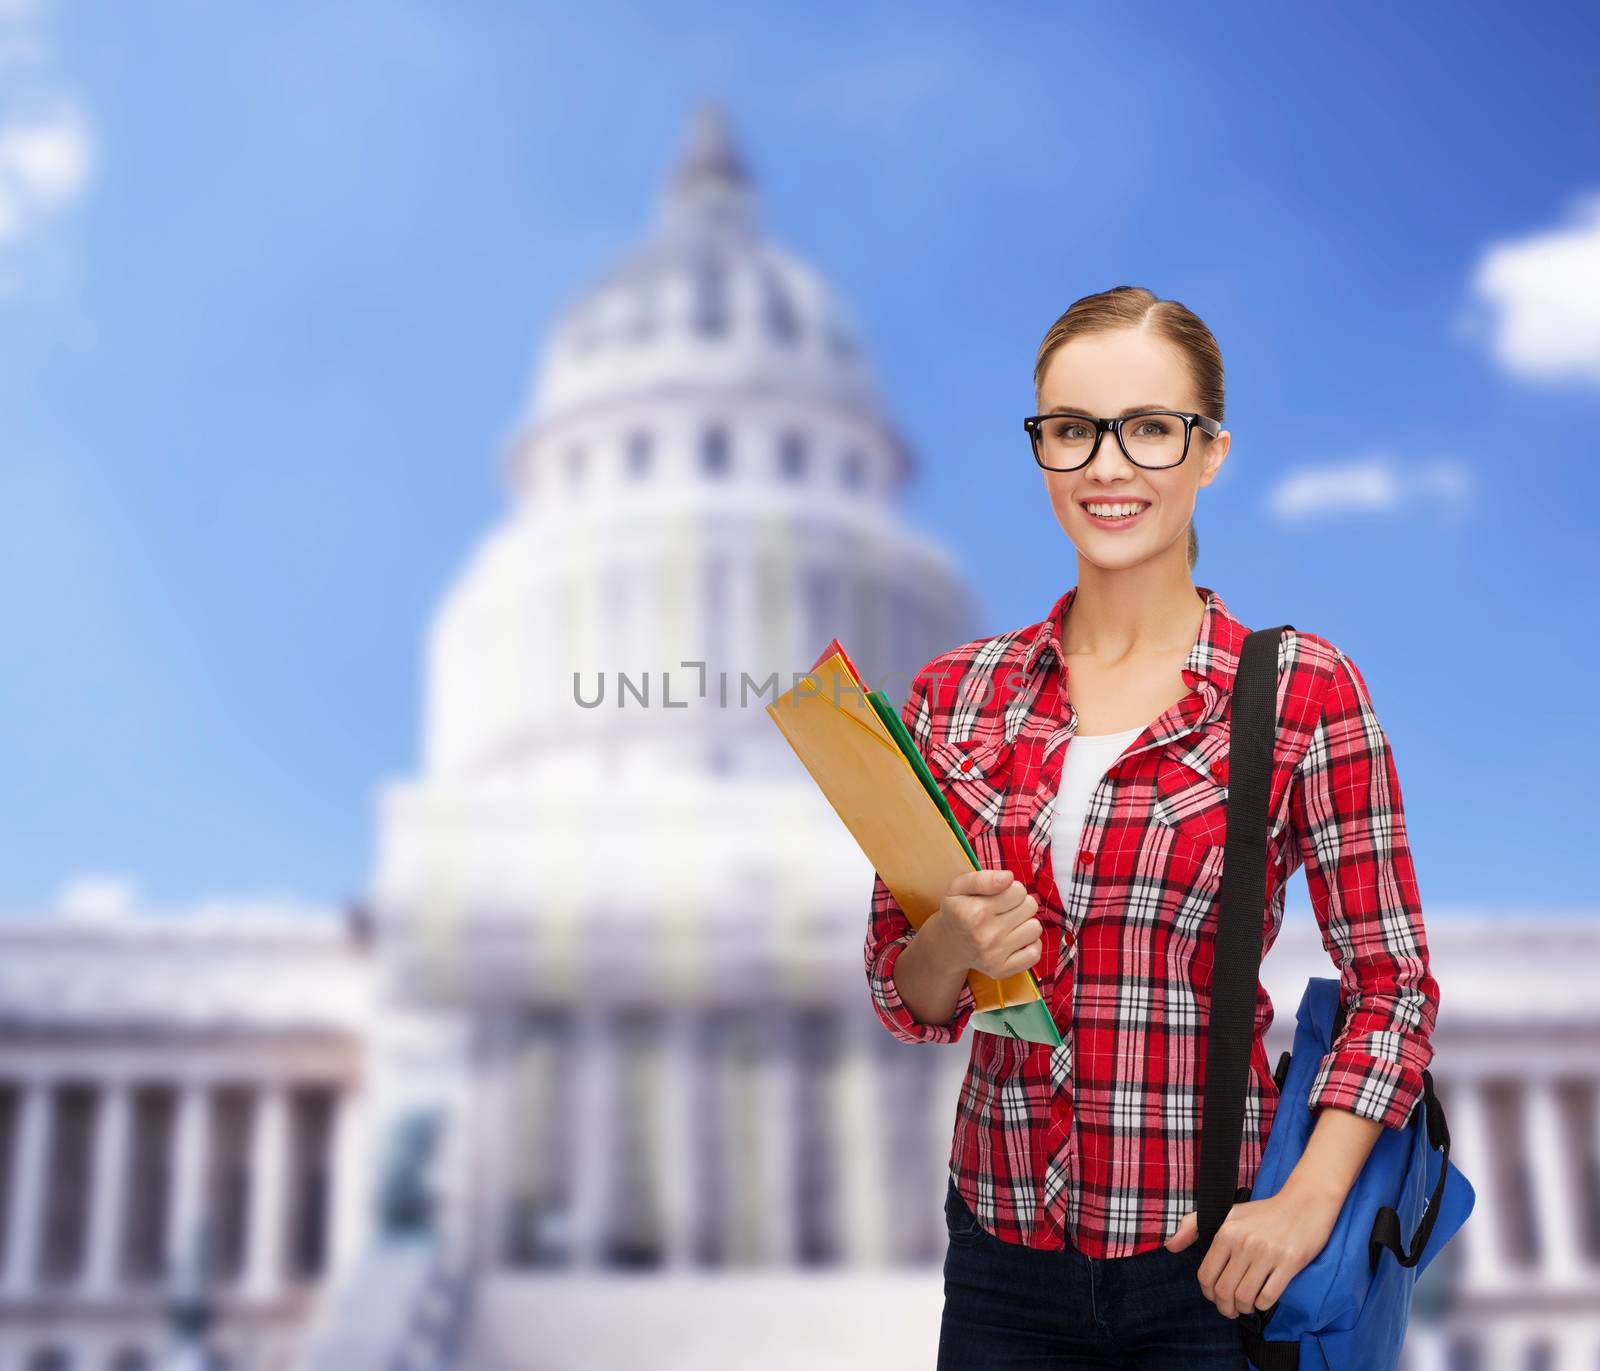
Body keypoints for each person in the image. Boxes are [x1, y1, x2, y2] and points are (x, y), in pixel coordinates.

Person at [862, 285, 1441, 1368]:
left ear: (1210, 451)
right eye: (1072, 431)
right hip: (997, 1259)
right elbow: (906, 992)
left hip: (1208, 1273)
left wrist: (1306, 1202)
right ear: (1040, 450)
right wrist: (953, 942)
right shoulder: (956, 693)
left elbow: (1393, 986)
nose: (1106, 467)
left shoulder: (1301, 690)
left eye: (1150, 429)